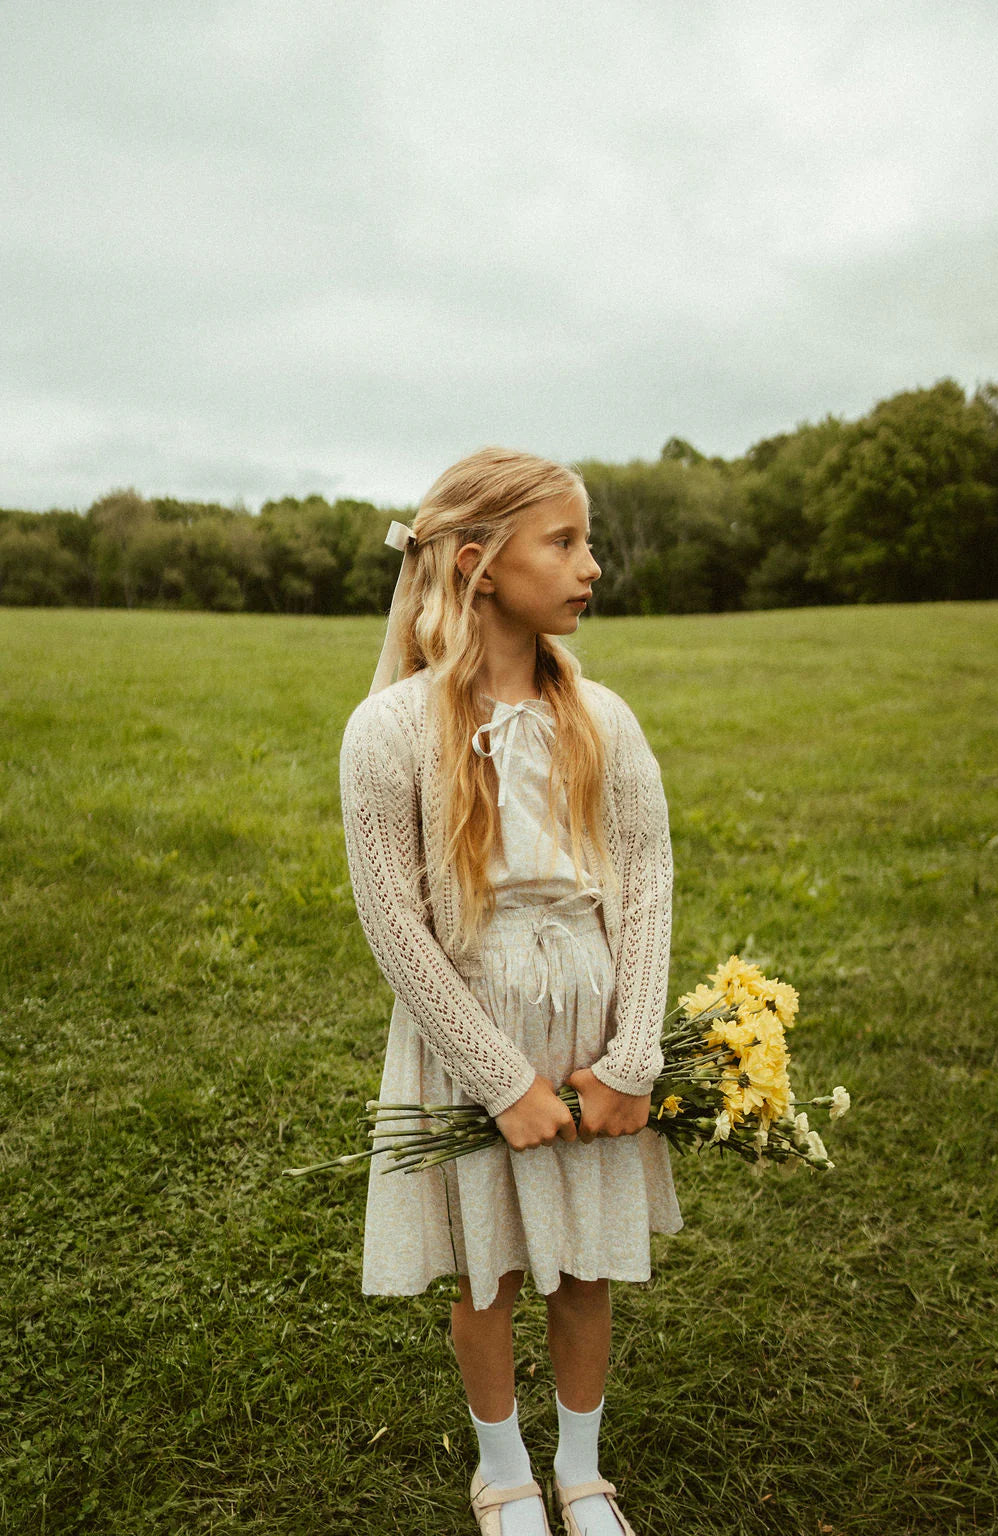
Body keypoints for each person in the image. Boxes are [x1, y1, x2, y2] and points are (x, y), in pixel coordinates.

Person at [338, 446, 681, 1536]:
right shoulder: (387, 731)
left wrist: (631, 1059)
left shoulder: (606, 717)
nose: (591, 567)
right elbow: (394, 919)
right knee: (484, 1266)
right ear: (481, 565)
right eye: (565, 543)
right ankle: (504, 1475)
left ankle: (581, 1472)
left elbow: (648, 876)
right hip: (467, 1024)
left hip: (588, 1015)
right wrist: (498, 1081)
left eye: (585, 543)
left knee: (583, 1262)